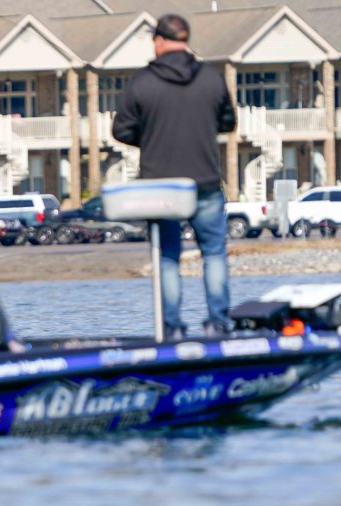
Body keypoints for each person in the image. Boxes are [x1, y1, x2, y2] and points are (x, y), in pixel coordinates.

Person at [113, 13, 237, 338]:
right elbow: (228, 122)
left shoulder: (142, 82)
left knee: (168, 257)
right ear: (185, 40)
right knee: (214, 253)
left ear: (159, 41)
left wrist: (151, 136)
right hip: (205, 180)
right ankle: (218, 324)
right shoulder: (211, 78)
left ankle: (172, 328)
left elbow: (121, 130)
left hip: (160, 185)